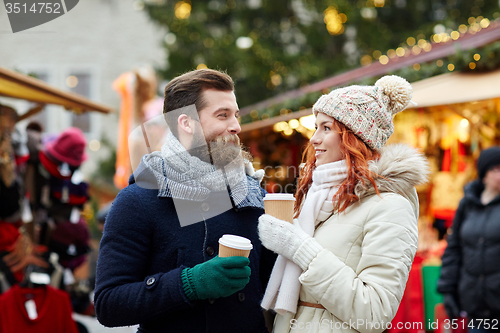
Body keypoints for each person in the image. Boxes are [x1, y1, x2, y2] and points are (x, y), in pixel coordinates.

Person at [94, 69, 277, 333]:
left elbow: (275, 290)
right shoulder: (139, 199)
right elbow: (109, 304)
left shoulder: (253, 194)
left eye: (235, 115)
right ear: (187, 123)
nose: (236, 126)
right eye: (222, 115)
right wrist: (191, 283)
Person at [258, 75, 429, 333]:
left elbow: (374, 312)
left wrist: (301, 248)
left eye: (326, 128)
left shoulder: (391, 206)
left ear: (356, 137)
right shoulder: (317, 198)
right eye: (316, 128)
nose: (314, 139)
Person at [437, 146, 500, 332]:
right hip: (474, 304)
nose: (499, 175)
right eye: (495, 169)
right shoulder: (467, 204)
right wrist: (448, 290)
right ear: (484, 174)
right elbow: (453, 249)